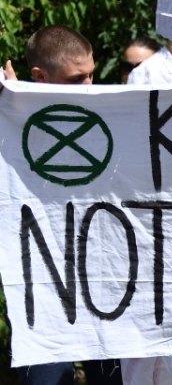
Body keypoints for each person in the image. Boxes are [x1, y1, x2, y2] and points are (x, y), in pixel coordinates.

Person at [18, 26, 118, 385]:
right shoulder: (10, 120)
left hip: (107, 280)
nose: (89, 85)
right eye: (77, 79)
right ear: (39, 77)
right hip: (43, 285)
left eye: (92, 74)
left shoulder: (113, 115)